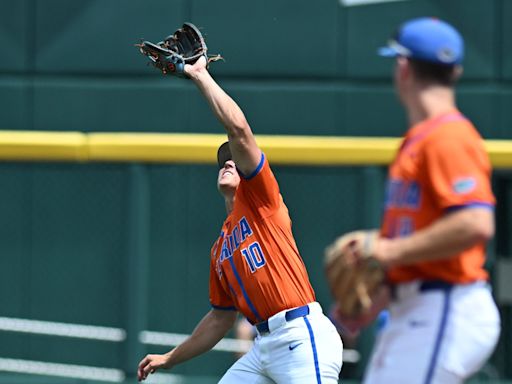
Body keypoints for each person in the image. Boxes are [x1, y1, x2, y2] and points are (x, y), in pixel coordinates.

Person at [137, 55, 343, 383]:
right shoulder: (220, 249)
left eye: (234, 160)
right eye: (223, 162)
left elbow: (239, 129)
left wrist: (200, 75)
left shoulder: (262, 201)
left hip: (301, 336)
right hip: (263, 347)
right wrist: (170, 358)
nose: (228, 163)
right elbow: (220, 319)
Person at [351, 17, 501, 384]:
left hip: (446, 306)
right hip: (414, 308)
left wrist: (387, 251)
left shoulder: (449, 136)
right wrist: (370, 303)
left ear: (403, 67)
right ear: (456, 71)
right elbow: (410, 247)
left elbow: (475, 223)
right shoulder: (417, 141)